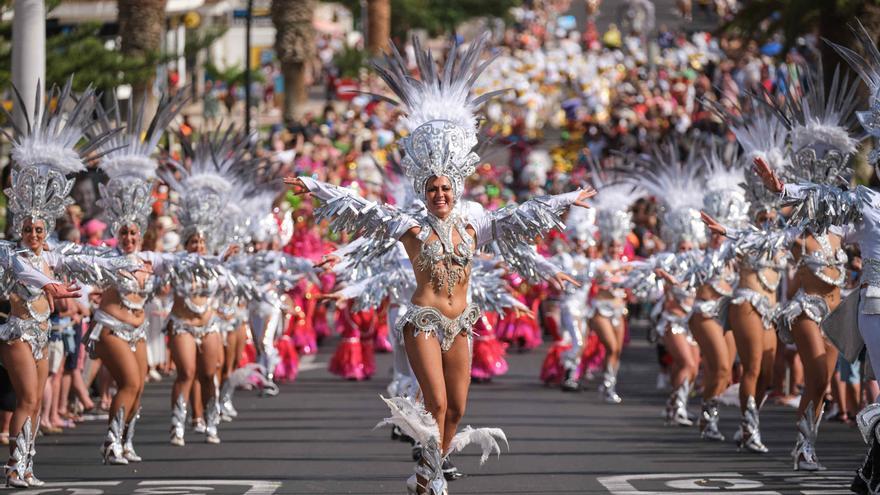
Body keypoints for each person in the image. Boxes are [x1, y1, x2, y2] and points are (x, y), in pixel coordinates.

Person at [286, 35, 592, 495]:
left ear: (458, 188)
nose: (441, 196)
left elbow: (521, 219)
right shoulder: (410, 223)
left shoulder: (474, 221)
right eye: (433, 190)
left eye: (446, 189)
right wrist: (315, 185)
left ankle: (427, 472)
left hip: (462, 321)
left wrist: (568, 198)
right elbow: (365, 209)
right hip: (424, 320)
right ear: (423, 191)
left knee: (458, 409)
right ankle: (431, 479)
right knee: (436, 402)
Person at [0, 82, 137, 488]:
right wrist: (49, 285)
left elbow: (82, 256)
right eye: (29, 227)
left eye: (41, 228)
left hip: (43, 334)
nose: (36, 233)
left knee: (38, 400)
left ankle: (25, 466)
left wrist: (119, 264)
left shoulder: (51, 251)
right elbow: (28, 275)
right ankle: (13, 469)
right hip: (19, 334)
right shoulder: (10, 253)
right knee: (27, 398)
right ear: (20, 226)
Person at [87, 93, 186, 464]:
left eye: (134, 234)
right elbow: (76, 263)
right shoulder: (107, 258)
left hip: (138, 330)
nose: (129, 238)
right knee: (129, 382)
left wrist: (217, 258)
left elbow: (182, 260)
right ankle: (110, 442)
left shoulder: (149, 258)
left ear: (140, 233)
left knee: (140, 385)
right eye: (124, 233)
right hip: (111, 327)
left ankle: (126, 441)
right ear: (117, 232)